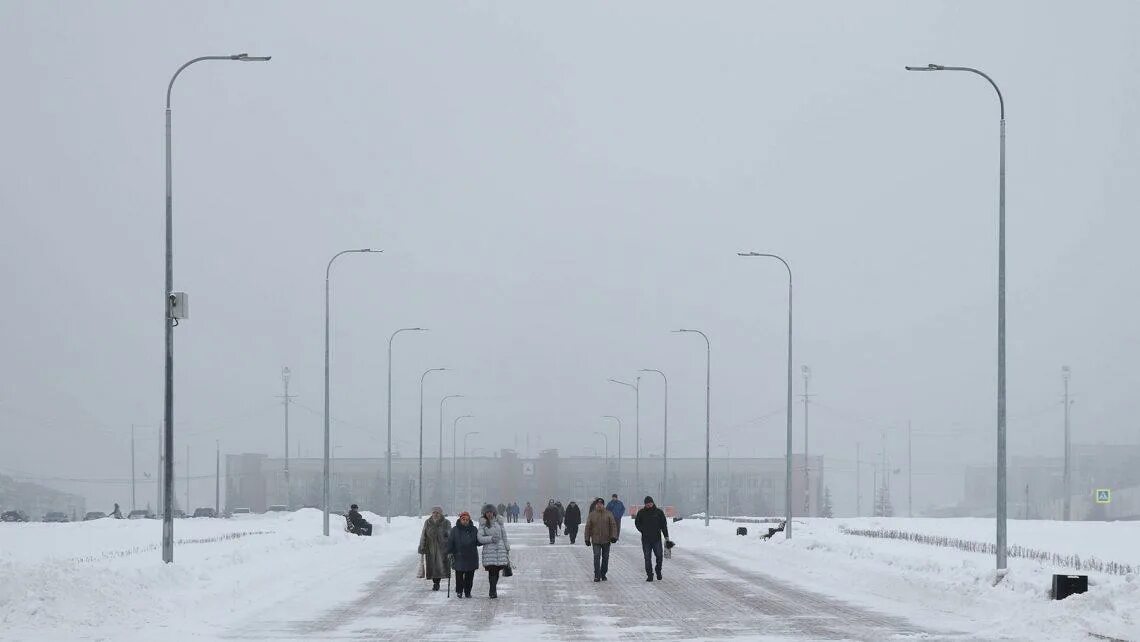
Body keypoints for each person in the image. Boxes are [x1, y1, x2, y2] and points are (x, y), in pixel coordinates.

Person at [477, 504, 510, 599]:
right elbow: (480, 538)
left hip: (500, 550)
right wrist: (491, 539)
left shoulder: (499, 522)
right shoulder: (483, 524)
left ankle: (493, 588)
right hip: (489, 551)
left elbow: (504, 535)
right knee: (492, 571)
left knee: (497, 571)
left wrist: (507, 547)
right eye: (487, 512)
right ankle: (492, 590)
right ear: (485, 513)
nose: (489, 514)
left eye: (491, 512)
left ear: (494, 512)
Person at [634, 495, 670, 581]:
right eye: (647, 504)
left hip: (656, 539)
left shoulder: (659, 512)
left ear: (653, 503)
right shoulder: (641, 512)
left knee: (659, 556)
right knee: (647, 557)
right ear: (645, 504)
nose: (649, 505)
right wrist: (642, 530)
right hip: (646, 539)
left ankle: (658, 570)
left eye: (650, 503)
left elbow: (663, 525)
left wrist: (666, 536)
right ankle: (649, 574)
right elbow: (637, 523)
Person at [447, 511, 479, 598]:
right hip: (459, 555)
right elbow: (450, 541)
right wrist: (449, 551)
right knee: (459, 576)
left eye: (467, 519)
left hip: (471, 555)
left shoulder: (474, 529)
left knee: (469, 576)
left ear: (469, 520)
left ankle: (468, 592)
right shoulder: (454, 530)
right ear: (460, 519)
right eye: (463, 519)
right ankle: (459, 591)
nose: (465, 521)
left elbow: (478, 541)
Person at [418, 506, 452, 591]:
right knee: (432, 566)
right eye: (434, 512)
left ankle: (437, 583)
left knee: (440, 566)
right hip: (431, 547)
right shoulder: (428, 522)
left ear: (441, 514)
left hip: (442, 548)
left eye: (437, 513)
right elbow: (424, 534)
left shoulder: (446, 522)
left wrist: (449, 545)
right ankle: (435, 582)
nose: (435, 514)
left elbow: (450, 535)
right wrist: (422, 546)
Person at [584, 497, 618, 582]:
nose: (599, 505)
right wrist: (587, 539)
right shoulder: (592, 514)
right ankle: (597, 575)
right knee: (596, 557)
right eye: (598, 504)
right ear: (596, 505)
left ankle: (603, 574)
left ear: (603, 505)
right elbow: (588, 527)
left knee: (605, 558)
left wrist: (614, 536)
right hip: (595, 540)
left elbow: (613, 525)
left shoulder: (609, 514)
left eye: (601, 504)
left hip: (606, 540)